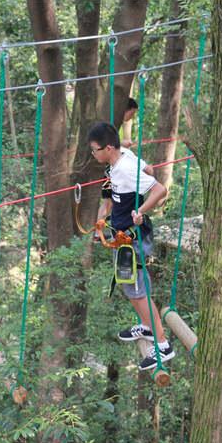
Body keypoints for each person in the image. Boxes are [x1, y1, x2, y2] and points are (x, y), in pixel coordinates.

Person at [88, 122, 174, 370]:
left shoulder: (125, 167)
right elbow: (147, 168)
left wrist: (141, 210)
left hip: (131, 238)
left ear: (108, 148)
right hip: (121, 235)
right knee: (129, 287)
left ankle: (163, 346)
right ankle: (148, 328)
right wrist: (104, 219)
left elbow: (160, 190)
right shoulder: (121, 159)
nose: (93, 154)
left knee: (138, 292)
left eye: (95, 150)